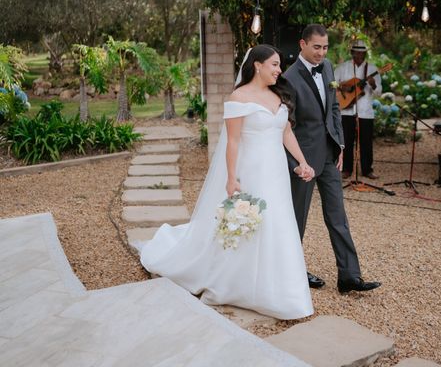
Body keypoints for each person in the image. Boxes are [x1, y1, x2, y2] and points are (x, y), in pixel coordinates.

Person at [139, 45, 314, 320]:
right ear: (257, 65)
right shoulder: (239, 97)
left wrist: (302, 162)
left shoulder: (277, 95)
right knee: (251, 224)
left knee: (279, 223)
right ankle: (238, 284)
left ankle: (284, 290)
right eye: (275, 65)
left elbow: (286, 132)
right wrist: (232, 178)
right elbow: (232, 142)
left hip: (277, 172)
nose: (279, 70)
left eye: (279, 65)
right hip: (252, 171)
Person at [283, 24, 381, 294]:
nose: (321, 53)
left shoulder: (327, 68)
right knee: (297, 219)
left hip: (329, 155)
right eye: (317, 47)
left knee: (338, 215)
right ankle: (291, 272)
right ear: (302, 44)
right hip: (303, 161)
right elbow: (285, 126)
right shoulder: (289, 77)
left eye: (325, 48)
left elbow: (335, 108)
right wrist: (297, 164)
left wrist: (340, 145)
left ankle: (349, 276)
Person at [334, 39, 382, 180]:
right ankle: (346, 169)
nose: (359, 56)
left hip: (365, 112)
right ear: (352, 53)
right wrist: (343, 87)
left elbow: (379, 92)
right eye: (357, 53)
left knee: (366, 142)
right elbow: (331, 83)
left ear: (365, 54)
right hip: (346, 111)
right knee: (347, 141)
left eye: (362, 53)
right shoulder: (343, 67)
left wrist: (373, 85)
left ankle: (367, 170)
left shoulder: (372, 69)